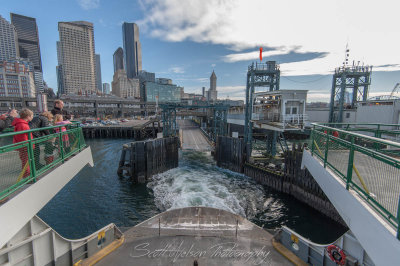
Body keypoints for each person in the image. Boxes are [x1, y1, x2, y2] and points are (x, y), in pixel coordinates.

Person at [12, 108, 34, 179]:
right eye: (31, 116)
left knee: (27, 162)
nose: (32, 117)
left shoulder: (21, 124)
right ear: (28, 116)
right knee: (26, 162)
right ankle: (27, 177)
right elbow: (23, 138)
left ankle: (28, 176)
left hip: (24, 146)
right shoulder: (23, 125)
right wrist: (29, 146)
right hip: (25, 147)